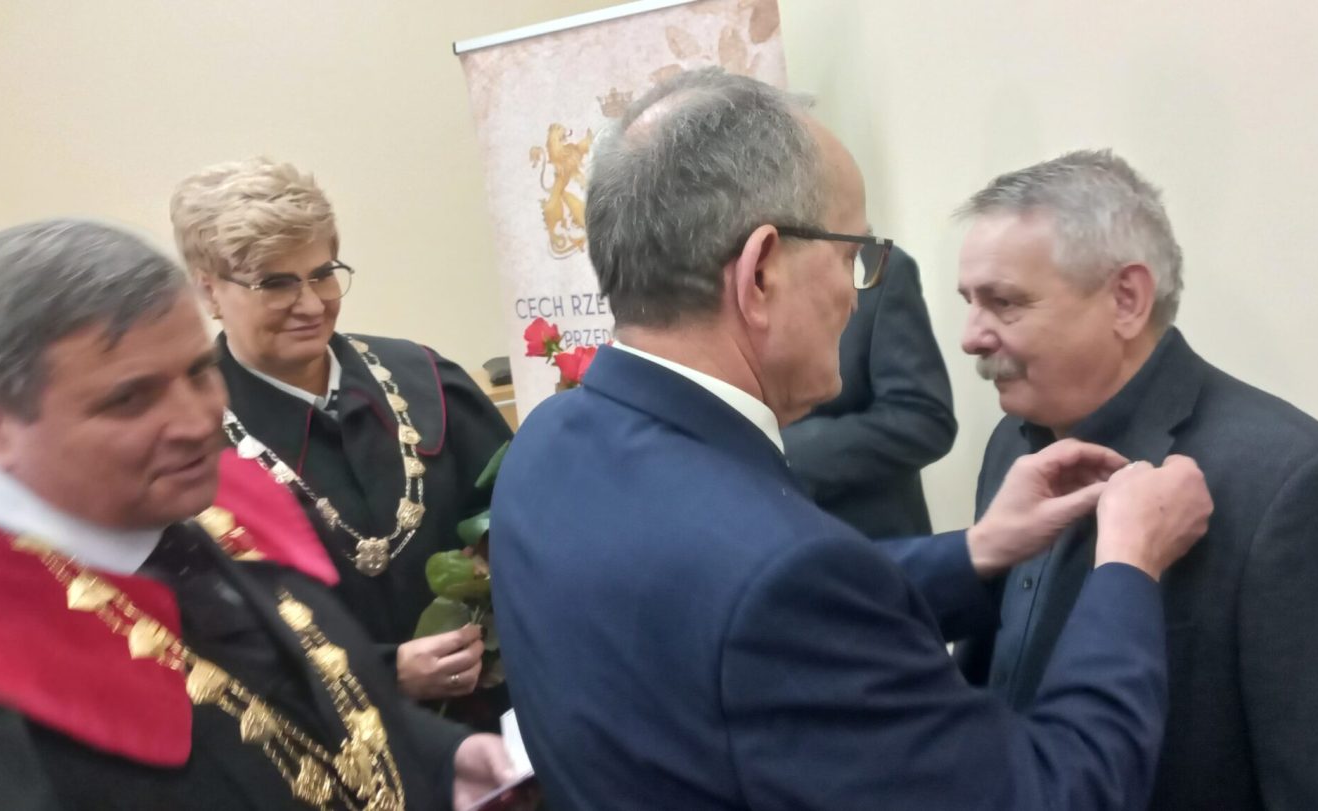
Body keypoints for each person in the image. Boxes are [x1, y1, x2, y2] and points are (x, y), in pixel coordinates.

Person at [490, 68, 1214, 810]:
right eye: (849, 256)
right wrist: (1128, 565)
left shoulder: (545, 445)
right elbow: (1059, 795)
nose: (854, 290)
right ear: (760, 274)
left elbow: (715, 607)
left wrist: (975, 551)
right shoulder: (780, 575)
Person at [0, 221, 522, 810]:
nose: (197, 422)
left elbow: (328, 706)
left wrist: (442, 760)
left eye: (197, 372)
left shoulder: (225, 509)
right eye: (130, 400)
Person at [956, 150, 1318, 809]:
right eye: (969, 302)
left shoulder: (1294, 485)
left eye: (1004, 303)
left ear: (1127, 299)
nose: (971, 337)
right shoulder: (1013, 444)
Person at [170, 158, 514, 719]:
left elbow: (516, 525)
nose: (311, 304)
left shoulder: (426, 381)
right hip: (330, 745)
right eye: (275, 283)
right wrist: (381, 673)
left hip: (491, 720)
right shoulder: (189, 446)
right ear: (209, 291)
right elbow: (209, 641)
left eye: (322, 273)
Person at [780, 245, 957, 538]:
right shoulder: (706, 268)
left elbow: (924, 420)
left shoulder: (877, 265)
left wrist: (776, 451)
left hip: (864, 544)